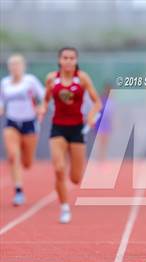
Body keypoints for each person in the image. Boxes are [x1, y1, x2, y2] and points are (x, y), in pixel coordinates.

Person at [38, 47, 102, 223]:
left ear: (76, 60)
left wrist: (90, 115)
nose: (68, 61)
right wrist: (42, 108)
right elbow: (45, 99)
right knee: (59, 169)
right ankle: (64, 207)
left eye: (71, 58)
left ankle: (67, 185)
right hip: (58, 128)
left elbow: (97, 102)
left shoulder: (82, 78)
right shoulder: (52, 78)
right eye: (65, 58)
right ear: (59, 60)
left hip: (77, 129)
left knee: (75, 178)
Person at [0, 54, 44, 206]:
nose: (14, 67)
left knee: (27, 162)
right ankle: (18, 191)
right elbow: (1, 102)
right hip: (12, 123)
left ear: (23, 66)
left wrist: (41, 107)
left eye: (17, 64)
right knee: (13, 156)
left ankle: (26, 163)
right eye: (12, 64)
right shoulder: (4, 83)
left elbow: (44, 96)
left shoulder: (30, 81)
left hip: (29, 124)